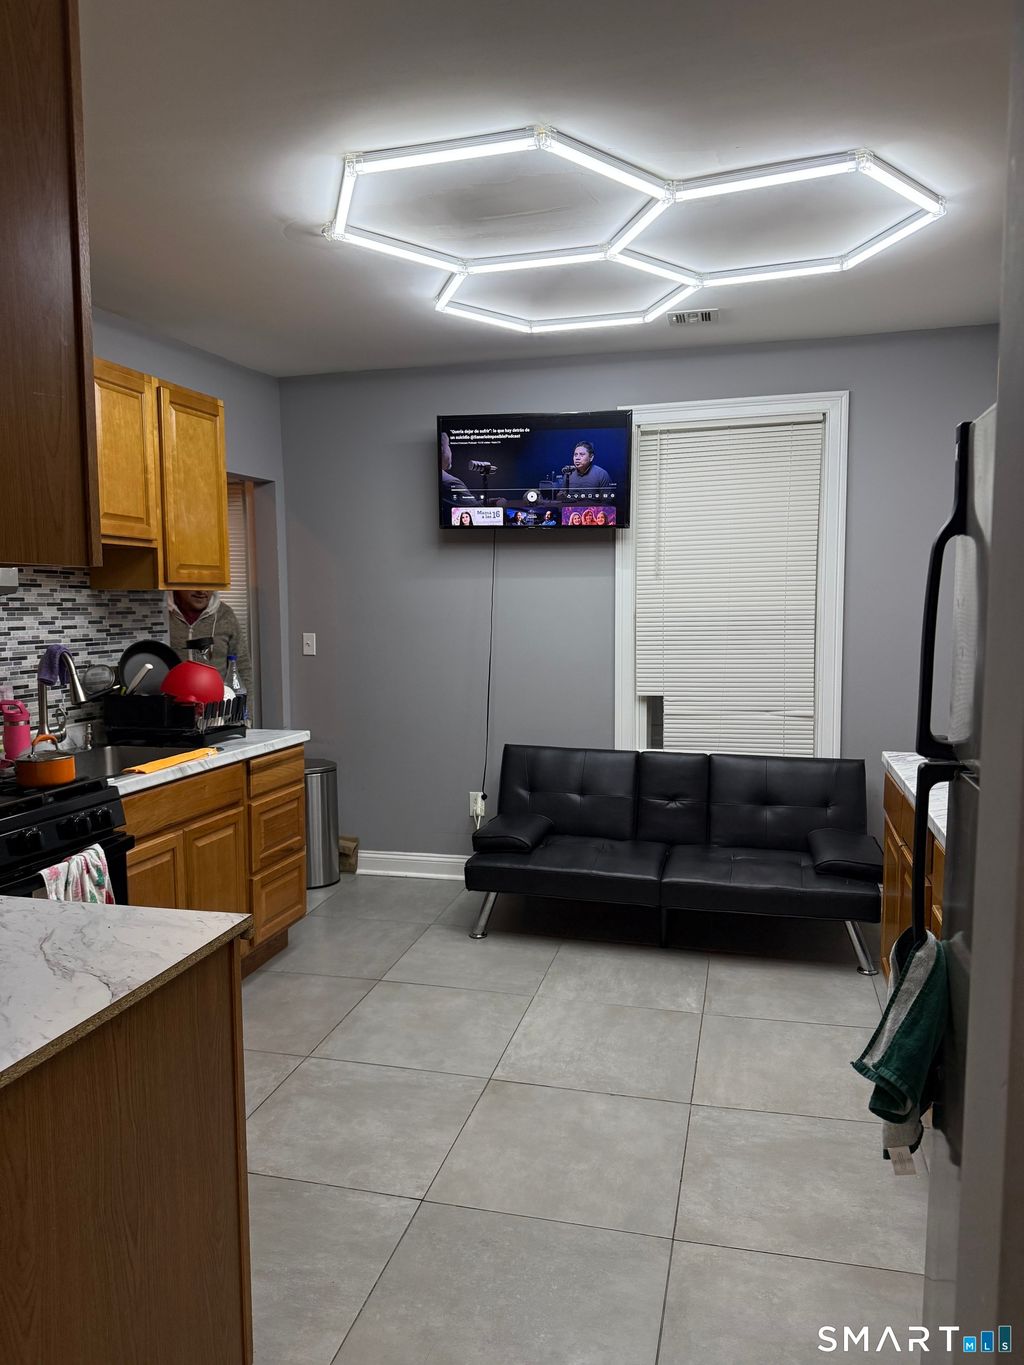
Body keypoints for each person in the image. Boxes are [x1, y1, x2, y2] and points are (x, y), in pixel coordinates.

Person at [167, 590, 253, 696]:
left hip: (217, 704)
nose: (201, 591)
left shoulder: (225, 615)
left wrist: (247, 706)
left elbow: (242, 666)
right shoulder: (159, 612)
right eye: (195, 583)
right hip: (171, 702)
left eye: (207, 585)